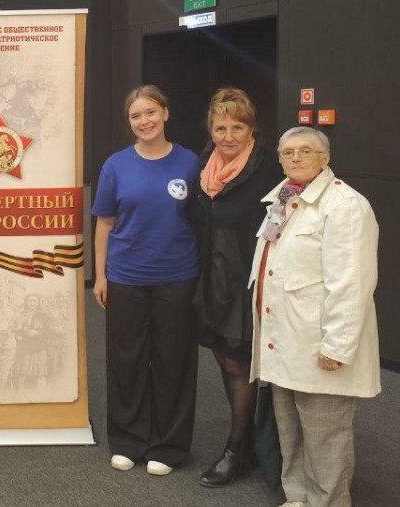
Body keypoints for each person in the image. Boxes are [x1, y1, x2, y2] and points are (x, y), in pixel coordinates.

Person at [250, 127, 380, 507]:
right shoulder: (283, 198)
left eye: (306, 151)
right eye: (288, 152)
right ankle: (297, 498)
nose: (295, 158)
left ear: (326, 158)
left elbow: (352, 283)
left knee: (325, 441)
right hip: (282, 340)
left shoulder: (345, 205)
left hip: (318, 345)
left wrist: (336, 346)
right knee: (290, 434)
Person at [92, 85, 200, 477]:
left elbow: (201, 220)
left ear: (165, 113)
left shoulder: (191, 163)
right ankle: (128, 440)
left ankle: (168, 446)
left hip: (178, 276)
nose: (144, 121)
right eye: (136, 116)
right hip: (126, 277)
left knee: (173, 361)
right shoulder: (116, 165)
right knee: (127, 361)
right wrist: (100, 275)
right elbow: (105, 224)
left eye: (151, 112)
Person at [191, 88, 283, 487]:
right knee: (226, 360)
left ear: (251, 130)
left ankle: (237, 448)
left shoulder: (270, 170)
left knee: (239, 363)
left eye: (237, 128)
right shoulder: (203, 166)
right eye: (220, 128)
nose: (228, 136)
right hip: (211, 279)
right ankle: (247, 443)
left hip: (247, 281)